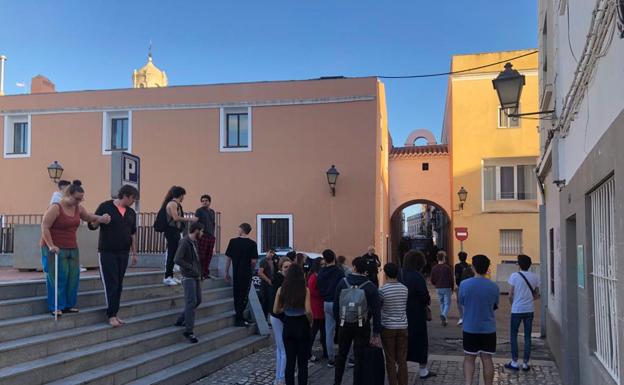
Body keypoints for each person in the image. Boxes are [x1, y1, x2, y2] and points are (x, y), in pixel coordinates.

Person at [41, 180, 111, 317]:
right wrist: (51, 245)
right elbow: (45, 226)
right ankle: (56, 306)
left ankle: (68, 305)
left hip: (72, 247)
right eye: (77, 198)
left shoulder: (78, 208)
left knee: (73, 277)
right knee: (58, 277)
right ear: (68, 194)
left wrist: (101, 218)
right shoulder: (55, 208)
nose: (79, 201)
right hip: (55, 248)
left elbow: (88, 217)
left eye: (81, 199)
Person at [88, 185, 139, 327]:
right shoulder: (105, 206)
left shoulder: (131, 213)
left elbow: (132, 233)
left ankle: (115, 313)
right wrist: (100, 220)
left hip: (123, 253)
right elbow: (91, 226)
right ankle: (111, 315)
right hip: (107, 252)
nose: (133, 203)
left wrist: (134, 253)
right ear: (126, 196)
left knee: (119, 285)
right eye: (133, 199)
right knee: (111, 284)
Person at [332, 256, 382, 385]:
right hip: (362, 326)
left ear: (354, 267)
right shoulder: (370, 286)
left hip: (344, 324)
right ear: (365, 271)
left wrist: (339, 322)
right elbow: (377, 311)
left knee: (342, 355)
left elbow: (335, 305)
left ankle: (337, 382)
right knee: (359, 358)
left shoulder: (342, 283)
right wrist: (376, 332)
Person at [459, 254, 499, 385]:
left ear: (473, 267)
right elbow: (494, 306)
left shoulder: (464, 285)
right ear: (487, 268)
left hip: (470, 327)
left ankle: (468, 383)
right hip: (488, 328)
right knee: (487, 359)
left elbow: (462, 302)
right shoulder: (494, 286)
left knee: (469, 358)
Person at [273, 264, 312, 385]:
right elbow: (308, 310)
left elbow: (275, 310)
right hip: (302, 324)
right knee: (302, 363)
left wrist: (285, 309)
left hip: (288, 324)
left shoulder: (281, 289)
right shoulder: (305, 290)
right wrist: (310, 321)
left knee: (290, 361)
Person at [399, 250, 436, 380]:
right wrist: (427, 300)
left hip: (401, 313)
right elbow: (424, 296)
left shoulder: (401, 274)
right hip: (416, 314)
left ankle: (401, 369)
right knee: (420, 342)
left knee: (403, 343)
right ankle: (423, 370)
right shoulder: (417, 277)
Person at [505, 254, 540, 371]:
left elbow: (510, 295)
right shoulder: (535, 277)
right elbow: (537, 295)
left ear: (519, 264)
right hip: (529, 309)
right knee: (527, 336)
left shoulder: (514, 276)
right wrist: (528, 299)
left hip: (516, 309)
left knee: (514, 335)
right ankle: (525, 363)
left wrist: (513, 303)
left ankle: (514, 362)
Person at [173, 221, 205, 343]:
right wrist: (191, 268)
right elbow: (177, 259)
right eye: (201, 231)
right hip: (188, 277)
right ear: (196, 230)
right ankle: (189, 331)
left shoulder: (194, 242)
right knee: (191, 302)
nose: (202, 233)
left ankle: (180, 319)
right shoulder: (185, 242)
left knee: (198, 300)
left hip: (196, 276)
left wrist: (200, 273)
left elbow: (197, 260)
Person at [379, 263, 409, 385]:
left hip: (388, 326)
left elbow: (380, 306)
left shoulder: (382, 290)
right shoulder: (404, 288)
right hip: (402, 326)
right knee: (402, 359)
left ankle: (393, 382)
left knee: (390, 359)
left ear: (385, 274)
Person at [224, 223, 259, 327]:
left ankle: (239, 317)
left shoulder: (233, 242)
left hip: (236, 272)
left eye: (238, 228)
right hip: (246, 273)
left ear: (242, 230)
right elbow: (253, 261)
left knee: (237, 294)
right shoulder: (252, 244)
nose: (237, 230)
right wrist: (251, 271)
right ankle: (239, 318)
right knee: (244, 295)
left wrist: (226, 271)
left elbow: (228, 258)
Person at [162, 186, 197, 286]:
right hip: (171, 231)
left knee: (174, 253)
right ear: (180, 195)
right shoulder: (172, 204)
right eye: (183, 196)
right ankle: (167, 277)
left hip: (175, 231)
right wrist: (190, 219)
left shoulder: (176, 204)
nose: (183, 198)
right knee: (172, 253)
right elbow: (176, 217)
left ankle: (171, 276)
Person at [316, 249, 345, 367]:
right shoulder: (339, 271)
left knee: (329, 331)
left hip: (326, 302)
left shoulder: (321, 272)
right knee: (342, 329)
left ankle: (331, 358)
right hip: (338, 302)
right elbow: (343, 286)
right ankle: (343, 354)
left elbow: (319, 286)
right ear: (334, 257)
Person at [270, 257, 292, 385]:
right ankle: (281, 379)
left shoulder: (284, 280)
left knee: (280, 349)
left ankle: (278, 378)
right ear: (281, 268)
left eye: (290, 267)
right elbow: (276, 304)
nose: (288, 269)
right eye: (285, 267)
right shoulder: (280, 281)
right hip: (278, 316)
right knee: (283, 349)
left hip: (278, 316)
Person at [307, 258, 328, 362]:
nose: (324, 266)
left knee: (324, 332)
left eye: (324, 264)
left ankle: (326, 352)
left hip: (321, 308)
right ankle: (307, 353)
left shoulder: (319, 276)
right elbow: (312, 291)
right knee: (313, 332)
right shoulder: (313, 277)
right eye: (322, 264)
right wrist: (324, 293)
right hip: (316, 308)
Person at [194, 194, 216, 279]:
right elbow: (196, 223)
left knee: (208, 256)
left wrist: (213, 236)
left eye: (206, 201)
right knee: (201, 256)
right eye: (202, 201)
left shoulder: (212, 212)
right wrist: (198, 233)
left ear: (209, 202)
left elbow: (213, 224)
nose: (204, 202)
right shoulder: (199, 211)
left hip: (211, 237)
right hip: (202, 236)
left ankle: (205, 273)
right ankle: (199, 273)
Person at [430, 250, 453, 326]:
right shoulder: (447, 268)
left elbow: (432, 279)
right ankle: (443, 315)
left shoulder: (434, 268)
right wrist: (452, 288)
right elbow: (451, 279)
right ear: (444, 258)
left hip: (438, 287)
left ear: (437, 258)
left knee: (441, 303)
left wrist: (435, 284)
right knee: (447, 303)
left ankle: (444, 320)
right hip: (446, 287)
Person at [454, 251, 472, 326]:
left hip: (460, 285)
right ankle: (466, 316)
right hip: (468, 285)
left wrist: (456, 284)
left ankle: (461, 317)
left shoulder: (457, 266)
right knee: (467, 301)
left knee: (459, 302)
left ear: (459, 258)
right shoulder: (469, 266)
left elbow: (457, 276)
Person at [258, 249, 276, 319]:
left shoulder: (273, 261)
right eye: (270, 252)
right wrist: (268, 280)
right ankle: (264, 319)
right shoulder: (263, 261)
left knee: (270, 302)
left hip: (271, 285)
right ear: (267, 252)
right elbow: (260, 273)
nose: (271, 254)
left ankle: (269, 318)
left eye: (273, 253)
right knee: (265, 302)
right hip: (265, 285)